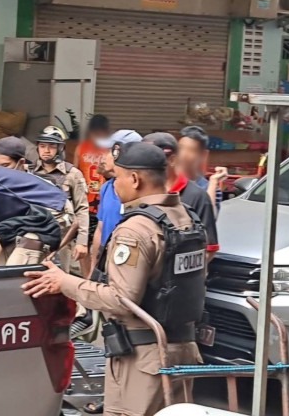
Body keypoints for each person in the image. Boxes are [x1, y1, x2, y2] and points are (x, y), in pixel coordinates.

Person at [22, 142, 206, 416]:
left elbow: (121, 298)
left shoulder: (136, 229)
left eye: (116, 177)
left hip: (143, 359)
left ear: (135, 179)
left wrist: (64, 282)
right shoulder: (187, 218)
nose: (113, 185)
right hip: (183, 350)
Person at [143, 132, 220, 259]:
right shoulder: (140, 190)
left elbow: (209, 248)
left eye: (152, 160)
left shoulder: (197, 196)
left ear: (172, 160)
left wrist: (180, 270)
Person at [31, 126, 90, 277]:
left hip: (62, 238)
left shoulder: (72, 174)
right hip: (32, 235)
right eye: (42, 146)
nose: (46, 150)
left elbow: (82, 209)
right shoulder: (29, 172)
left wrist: (82, 242)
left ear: (60, 148)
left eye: (51, 146)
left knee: (59, 279)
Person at [92, 129, 143, 269]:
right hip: (105, 263)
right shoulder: (106, 188)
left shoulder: (140, 191)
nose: (103, 156)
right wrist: (93, 268)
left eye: (108, 151)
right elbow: (100, 229)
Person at [74, 115, 111, 244]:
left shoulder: (109, 150)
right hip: (85, 199)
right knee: (83, 237)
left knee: (100, 235)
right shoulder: (81, 148)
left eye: (101, 132)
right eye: (95, 132)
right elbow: (74, 172)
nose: (98, 135)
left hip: (102, 199)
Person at [178, 126, 227, 214]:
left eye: (191, 150)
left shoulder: (208, 188)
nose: (183, 154)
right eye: (180, 148)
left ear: (203, 155)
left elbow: (210, 217)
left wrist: (213, 182)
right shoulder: (166, 181)